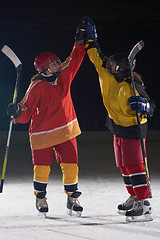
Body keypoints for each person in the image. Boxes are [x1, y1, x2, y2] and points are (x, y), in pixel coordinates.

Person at [7, 20, 86, 217]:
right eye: (53, 63)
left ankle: (72, 197)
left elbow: (74, 58)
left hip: (66, 131)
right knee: (42, 168)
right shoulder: (36, 87)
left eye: (57, 61)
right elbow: (25, 113)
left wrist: (79, 42)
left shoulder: (64, 76)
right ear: (44, 69)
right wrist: (17, 113)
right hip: (42, 135)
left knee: (70, 165)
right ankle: (40, 197)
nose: (58, 64)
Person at [84, 16, 155, 222]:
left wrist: (142, 105)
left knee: (136, 167)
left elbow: (151, 107)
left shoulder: (133, 85)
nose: (110, 65)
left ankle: (144, 205)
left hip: (133, 131)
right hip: (117, 129)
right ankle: (134, 197)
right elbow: (97, 57)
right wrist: (91, 39)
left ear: (123, 68)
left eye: (114, 64)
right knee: (124, 167)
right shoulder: (108, 76)